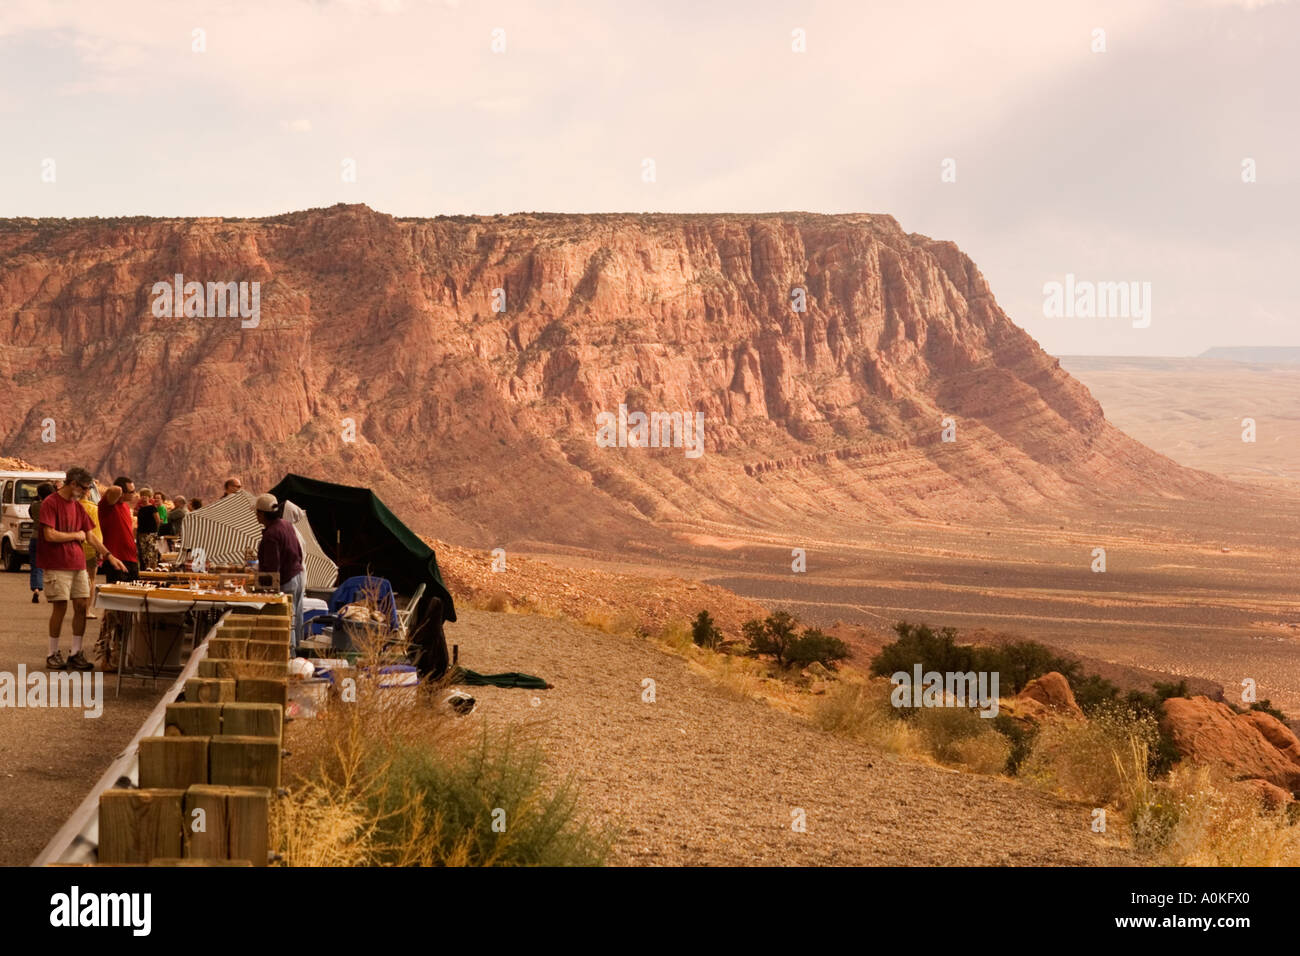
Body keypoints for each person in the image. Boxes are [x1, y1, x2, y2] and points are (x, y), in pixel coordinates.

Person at [38, 467, 125, 671]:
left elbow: (90, 535)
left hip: (78, 564)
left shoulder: (77, 506)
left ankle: (75, 652)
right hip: (57, 564)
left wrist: (109, 556)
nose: (87, 492)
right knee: (60, 607)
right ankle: (52, 653)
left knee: (81, 606)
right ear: (74, 484)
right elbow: (50, 535)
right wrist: (74, 536)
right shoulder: (50, 503)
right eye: (85, 488)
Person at [254, 493, 304, 649]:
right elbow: (298, 551)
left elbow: (271, 569)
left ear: (261, 514)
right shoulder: (285, 524)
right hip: (297, 574)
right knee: (295, 616)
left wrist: (260, 588)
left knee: (285, 620)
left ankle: (289, 653)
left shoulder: (271, 535)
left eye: (257, 513)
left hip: (286, 580)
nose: (256, 516)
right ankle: (296, 652)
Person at [99, 478, 140, 583]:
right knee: (119, 596)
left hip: (131, 559)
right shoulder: (108, 505)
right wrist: (119, 491)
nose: (135, 494)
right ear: (122, 493)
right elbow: (115, 489)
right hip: (116, 559)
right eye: (131, 491)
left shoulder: (126, 507)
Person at [28, 481, 55, 603]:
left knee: (36, 565)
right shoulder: (53, 506)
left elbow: (32, 516)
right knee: (51, 566)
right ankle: (52, 593)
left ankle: (36, 590)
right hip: (49, 537)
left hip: (35, 536)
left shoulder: (34, 505)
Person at [78, 490, 102, 619]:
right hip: (91, 548)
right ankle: (86, 610)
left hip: (75, 546)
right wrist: (100, 550)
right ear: (88, 492)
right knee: (91, 579)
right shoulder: (94, 508)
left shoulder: (73, 506)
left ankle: (78, 609)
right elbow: (96, 532)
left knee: (78, 579)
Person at [135, 486, 160, 570]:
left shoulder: (152, 508)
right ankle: (145, 568)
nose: (144, 497)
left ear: (149, 497)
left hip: (151, 533)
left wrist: (155, 531)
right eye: (142, 495)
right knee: (143, 552)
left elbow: (158, 520)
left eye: (146, 495)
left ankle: (152, 568)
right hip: (141, 533)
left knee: (151, 551)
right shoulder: (141, 509)